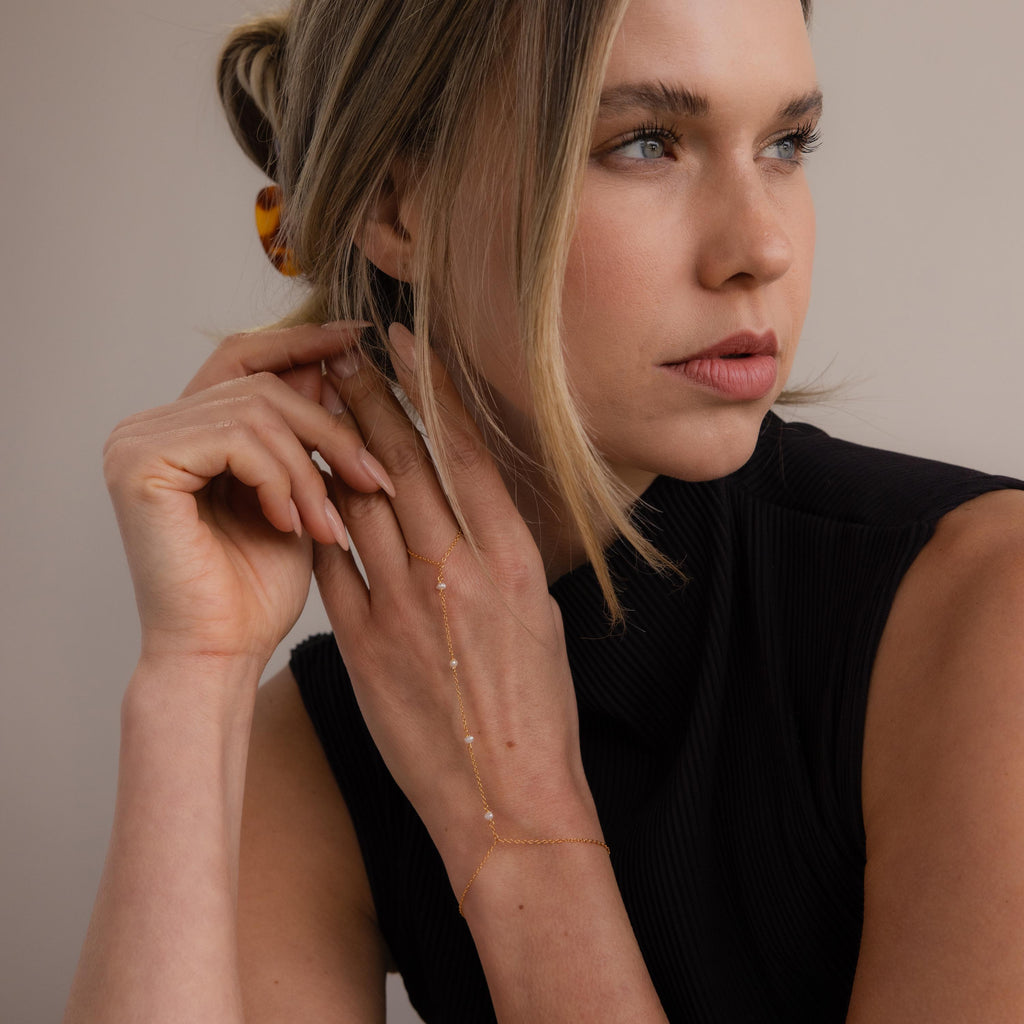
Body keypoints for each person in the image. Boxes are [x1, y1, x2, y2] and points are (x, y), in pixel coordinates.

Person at [64, 0, 1024, 1021]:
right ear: (398, 207)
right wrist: (191, 677)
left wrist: (517, 828)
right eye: (646, 143)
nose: (761, 247)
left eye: (786, 143)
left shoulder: (982, 612)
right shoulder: (333, 740)